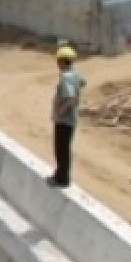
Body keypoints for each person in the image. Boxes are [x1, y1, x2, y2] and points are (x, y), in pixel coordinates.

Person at [48, 44, 86, 188]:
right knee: (65, 148)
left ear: (63, 61)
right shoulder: (75, 73)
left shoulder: (66, 77)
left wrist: (59, 113)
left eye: (58, 61)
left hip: (65, 120)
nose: (57, 64)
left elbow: (69, 98)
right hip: (72, 119)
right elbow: (83, 83)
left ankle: (61, 178)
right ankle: (61, 175)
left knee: (61, 149)